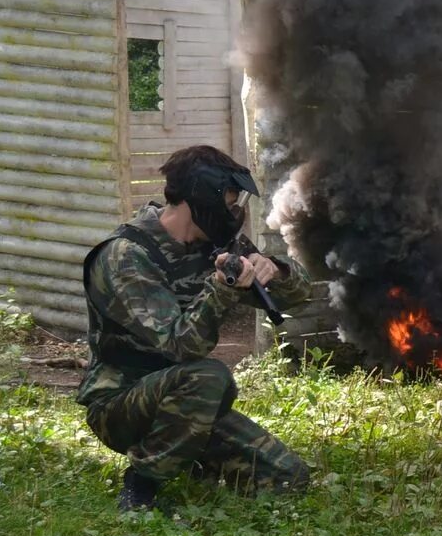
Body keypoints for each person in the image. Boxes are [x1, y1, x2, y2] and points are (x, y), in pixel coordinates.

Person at [78, 145, 312, 511]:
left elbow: (298, 296)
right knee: (209, 376)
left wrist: (275, 270)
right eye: (230, 201)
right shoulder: (126, 256)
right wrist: (222, 288)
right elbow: (180, 347)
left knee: (286, 477)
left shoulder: (211, 243)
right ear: (200, 197)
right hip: (121, 404)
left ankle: (187, 458)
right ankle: (141, 484)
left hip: (187, 404)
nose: (235, 213)